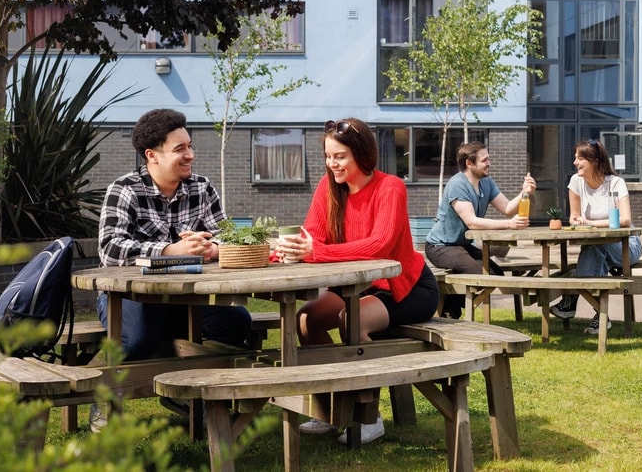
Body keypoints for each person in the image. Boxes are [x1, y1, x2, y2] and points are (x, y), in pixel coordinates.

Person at [276, 118, 440, 445]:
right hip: (356, 285)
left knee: (351, 319)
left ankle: (369, 416)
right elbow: (314, 237)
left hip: (404, 287)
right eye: (328, 156)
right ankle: (332, 407)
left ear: (361, 154)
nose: (331, 164)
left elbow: (380, 246)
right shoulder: (328, 188)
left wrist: (315, 253)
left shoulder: (390, 187)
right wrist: (286, 249)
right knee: (305, 320)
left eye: (340, 157)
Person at [91, 108, 252, 431]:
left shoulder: (201, 189)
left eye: (190, 146)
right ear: (152, 155)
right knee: (136, 339)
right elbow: (110, 249)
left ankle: (193, 395)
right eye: (180, 149)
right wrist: (168, 251)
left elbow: (227, 237)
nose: (190, 154)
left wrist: (213, 248)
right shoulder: (125, 190)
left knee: (237, 322)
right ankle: (103, 399)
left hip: (188, 298)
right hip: (131, 298)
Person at [424, 142, 536, 318]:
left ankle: (450, 306)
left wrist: (525, 192)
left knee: (496, 274)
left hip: (462, 246)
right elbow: (472, 223)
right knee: (478, 274)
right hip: (440, 246)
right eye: (484, 160)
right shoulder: (457, 185)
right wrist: (509, 224)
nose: (489, 163)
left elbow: (507, 208)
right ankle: (450, 309)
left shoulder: (486, 182)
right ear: (470, 163)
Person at [550, 138, 642, 334]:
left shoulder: (616, 183)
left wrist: (591, 223)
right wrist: (576, 221)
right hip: (596, 244)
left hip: (627, 245)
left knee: (593, 249)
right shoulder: (576, 182)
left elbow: (625, 220)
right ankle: (600, 317)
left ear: (596, 161)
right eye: (575, 158)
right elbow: (574, 217)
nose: (575, 162)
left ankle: (571, 299)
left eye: (580, 158)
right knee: (594, 251)